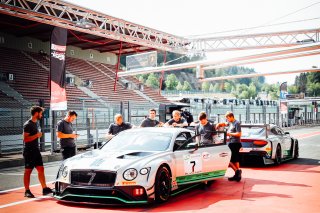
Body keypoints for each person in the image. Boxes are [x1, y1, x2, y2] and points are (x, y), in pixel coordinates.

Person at [23, 106, 52, 198]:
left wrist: (36, 136)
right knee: (28, 171)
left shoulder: (36, 123)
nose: (41, 115)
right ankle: (27, 191)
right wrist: (37, 135)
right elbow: (25, 139)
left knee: (41, 169)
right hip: (29, 151)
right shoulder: (28, 124)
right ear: (36, 113)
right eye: (41, 113)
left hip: (36, 150)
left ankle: (44, 188)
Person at [216, 111, 242, 182]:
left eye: (227, 118)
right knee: (235, 159)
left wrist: (229, 134)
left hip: (235, 143)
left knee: (228, 158)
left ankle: (237, 171)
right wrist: (219, 124)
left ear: (231, 117)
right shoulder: (230, 123)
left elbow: (239, 134)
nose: (227, 120)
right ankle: (237, 174)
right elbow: (225, 123)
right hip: (232, 142)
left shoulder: (237, 123)